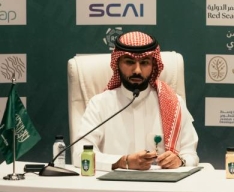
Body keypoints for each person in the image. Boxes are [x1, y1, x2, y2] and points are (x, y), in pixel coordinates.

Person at [73, 31, 199, 171]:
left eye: (145, 63)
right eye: (129, 62)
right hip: (113, 189)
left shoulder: (174, 104)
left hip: (162, 190)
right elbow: (80, 154)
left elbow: (191, 155)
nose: (137, 70)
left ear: (153, 65)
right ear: (117, 63)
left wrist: (179, 160)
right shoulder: (99, 104)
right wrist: (122, 162)